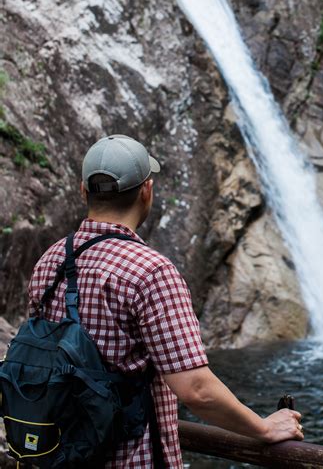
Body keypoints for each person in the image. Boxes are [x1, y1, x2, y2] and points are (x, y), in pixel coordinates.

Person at [28, 134, 304, 468]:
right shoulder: (151, 271)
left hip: (61, 455)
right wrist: (264, 428)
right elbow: (197, 389)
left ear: (84, 191)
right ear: (147, 190)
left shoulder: (50, 261)